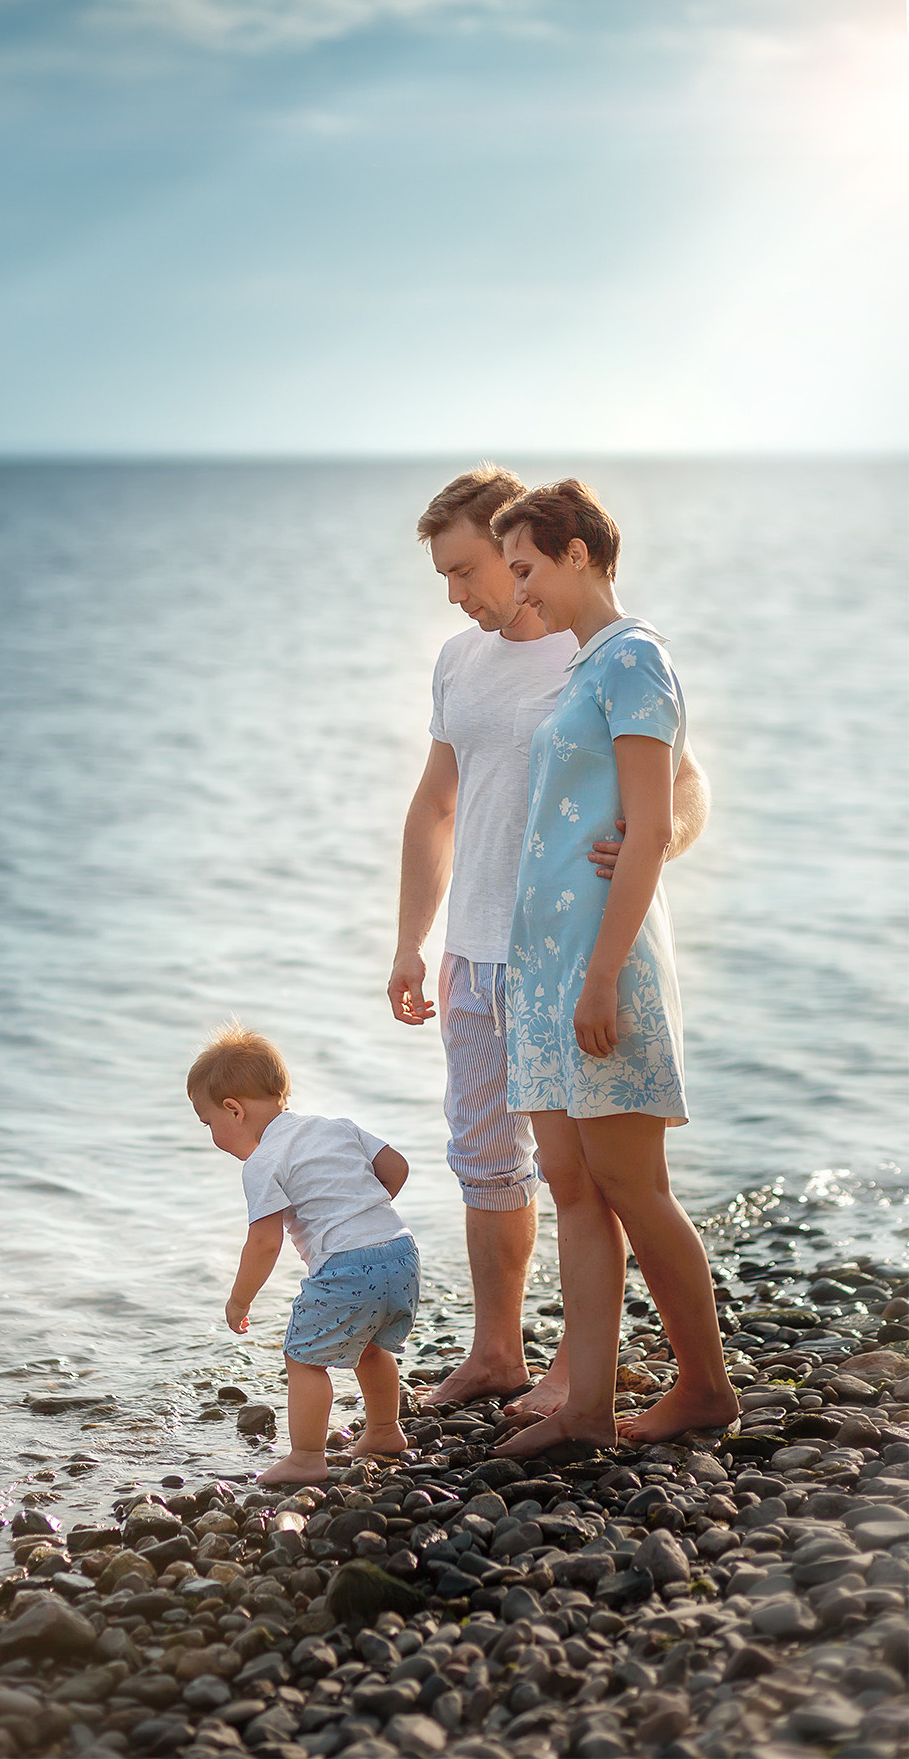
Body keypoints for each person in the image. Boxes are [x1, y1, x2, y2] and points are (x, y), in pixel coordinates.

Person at [388, 467, 709, 1411]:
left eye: (468, 570)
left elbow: (682, 788)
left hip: (569, 952)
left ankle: (583, 1372)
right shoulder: (460, 662)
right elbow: (435, 805)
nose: (460, 593)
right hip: (478, 951)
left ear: (517, 549)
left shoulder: (595, 654)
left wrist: (651, 845)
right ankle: (500, 1355)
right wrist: (411, 942)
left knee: (598, 1176)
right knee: (490, 1159)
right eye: (447, 577)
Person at [487, 479, 737, 1454]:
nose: (519, 593)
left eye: (527, 569)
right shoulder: (586, 665)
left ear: (578, 552)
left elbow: (650, 828)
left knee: (633, 1183)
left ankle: (705, 1387)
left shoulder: (634, 658)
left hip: (603, 961)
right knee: (572, 1182)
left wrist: (599, 976)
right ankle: (586, 1408)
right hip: (545, 966)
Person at [188, 1023, 419, 1485]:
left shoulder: (264, 1161)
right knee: (370, 1345)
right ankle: (384, 1431)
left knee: (303, 1359)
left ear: (233, 1110)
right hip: (401, 1252)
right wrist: (362, 1213)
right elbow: (397, 1167)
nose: (212, 1135)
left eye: (208, 1123)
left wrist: (239, 1300)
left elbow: (264, 1243)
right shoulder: (337, 1127)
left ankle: (307, 1457)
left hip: (347, 1266)